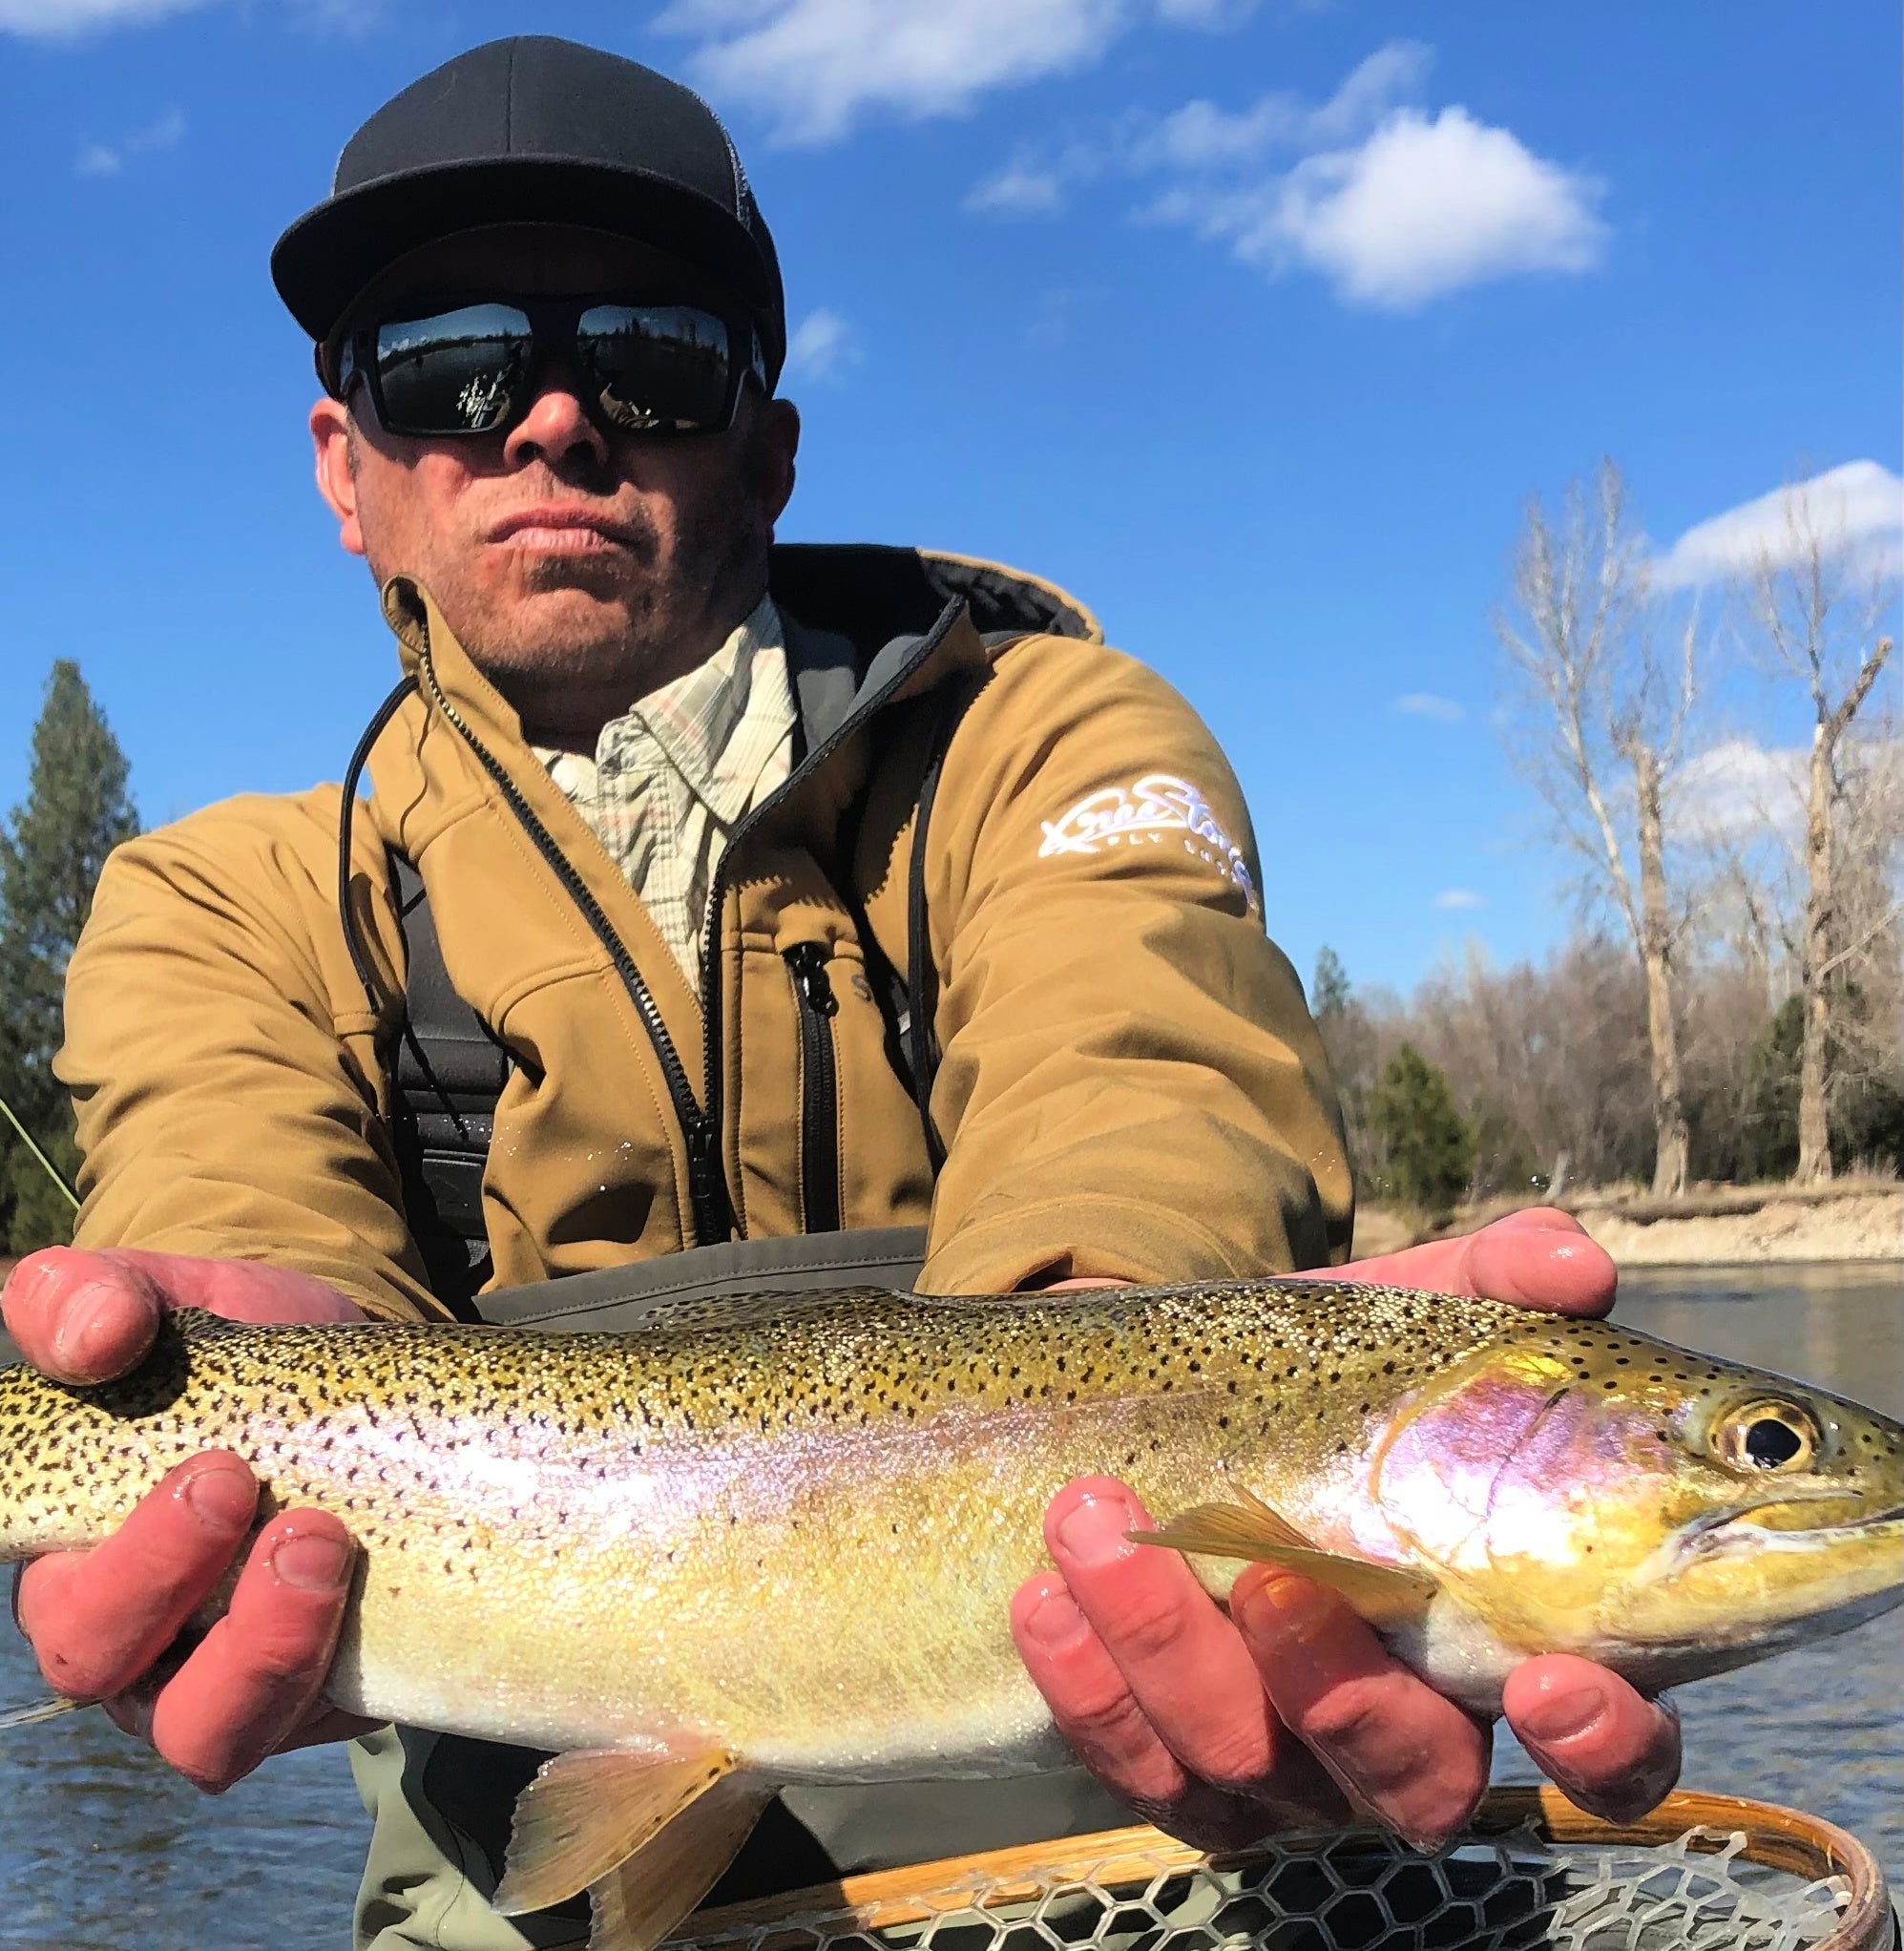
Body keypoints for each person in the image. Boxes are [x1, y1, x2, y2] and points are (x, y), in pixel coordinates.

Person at [0, 34, 1679, 1951]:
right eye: (447, 361)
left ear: (767, 445)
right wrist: (174, 1391)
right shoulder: (219, 897)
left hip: (1144, 1798)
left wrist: (1157, 1396)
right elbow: (233, 1214)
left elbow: (1137, 1068)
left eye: (645, 351)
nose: (552, 418)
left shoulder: (1042, 738)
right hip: (528, 1806)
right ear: (345, 468)